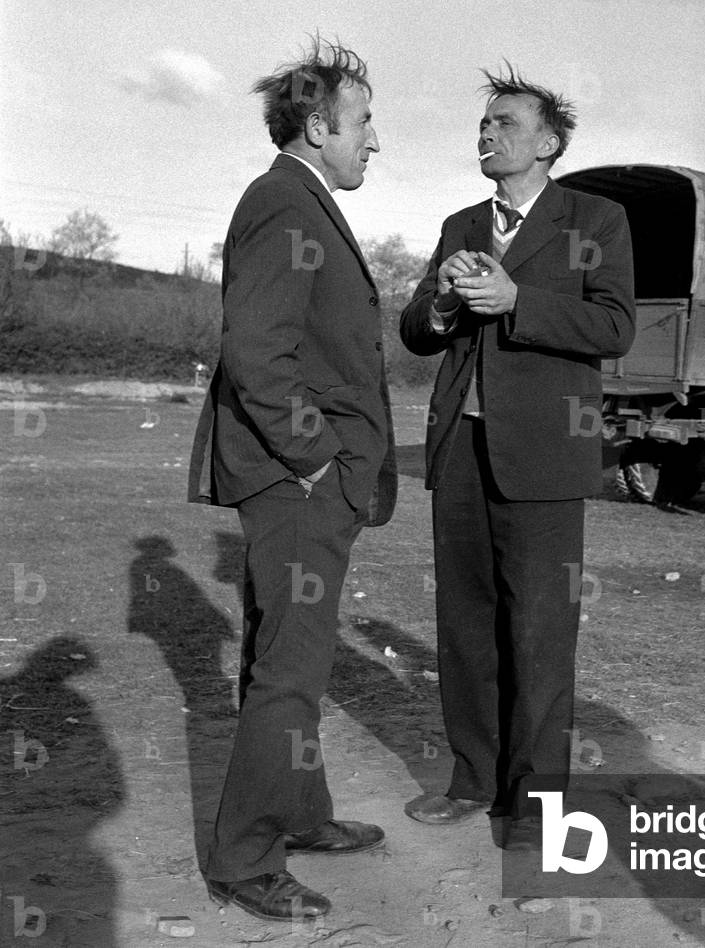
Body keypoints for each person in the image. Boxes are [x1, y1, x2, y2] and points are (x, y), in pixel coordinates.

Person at [187, 37, 397, 922]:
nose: (372, 142)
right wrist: (315, 458)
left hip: (298, 479)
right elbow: (255, 352)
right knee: (290, 670)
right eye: (363, 125)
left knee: (288, 656)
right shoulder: (285, 203)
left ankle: (300, 814)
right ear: (318, 126)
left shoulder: (299, 198)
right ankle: (246, 861)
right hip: (297, 480)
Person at [400, 65, 635, 849]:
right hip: (462, 452)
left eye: (504, 123)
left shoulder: (596, 220)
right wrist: (436, 304)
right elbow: (413, 328)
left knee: (539, 631)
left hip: (543, 456)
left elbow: (613, 327)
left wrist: (518, 303)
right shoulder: (462, 223)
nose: (486, 134)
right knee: (464, 626)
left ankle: (536, 807)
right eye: (483, 125)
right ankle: (472, 780)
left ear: (548, 142)